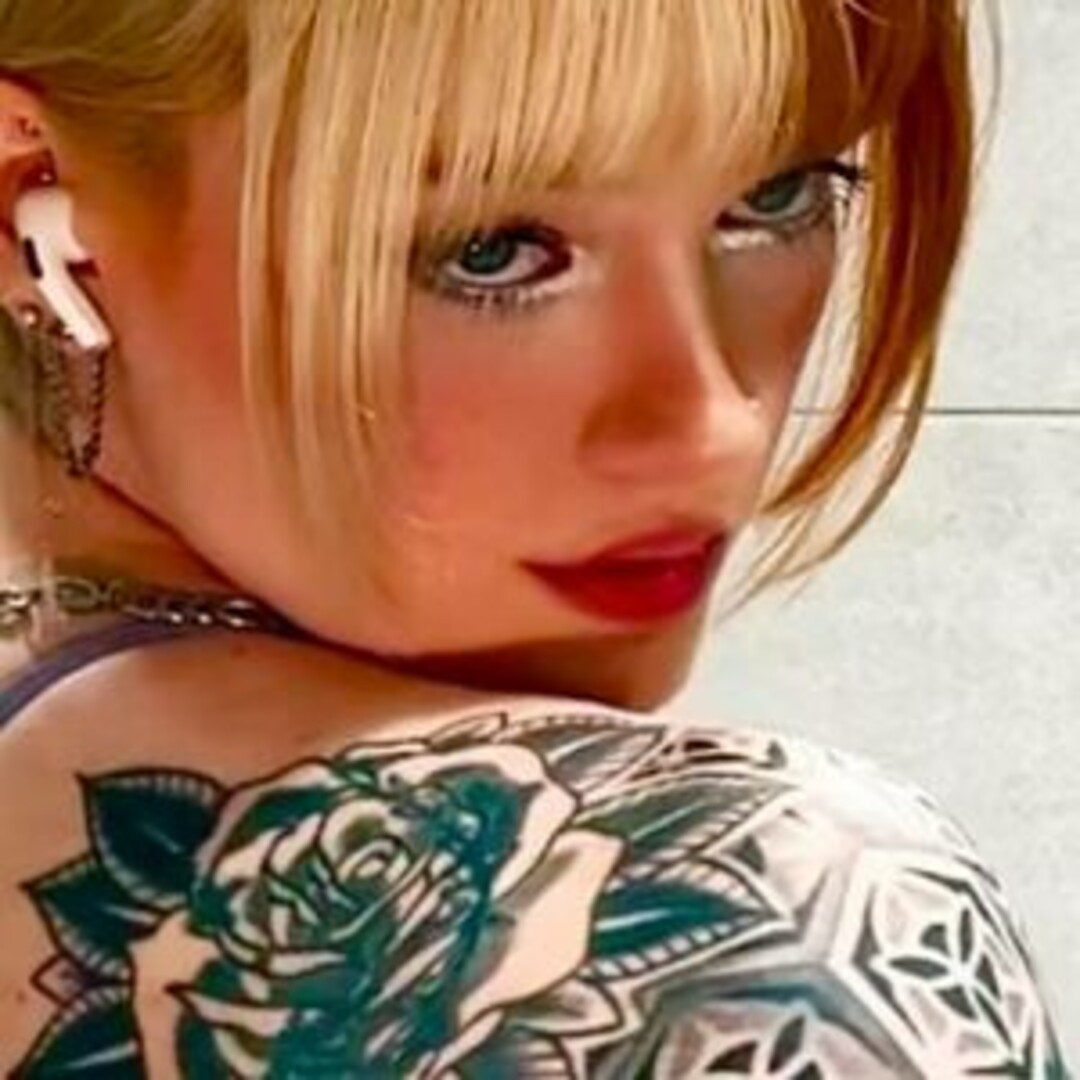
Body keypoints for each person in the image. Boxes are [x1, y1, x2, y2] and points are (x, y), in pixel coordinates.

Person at [0, 0, 1068, 1075]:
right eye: (495, 252)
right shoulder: (775, 927)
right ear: (28, 209)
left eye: (778, 195)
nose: (712, 428)